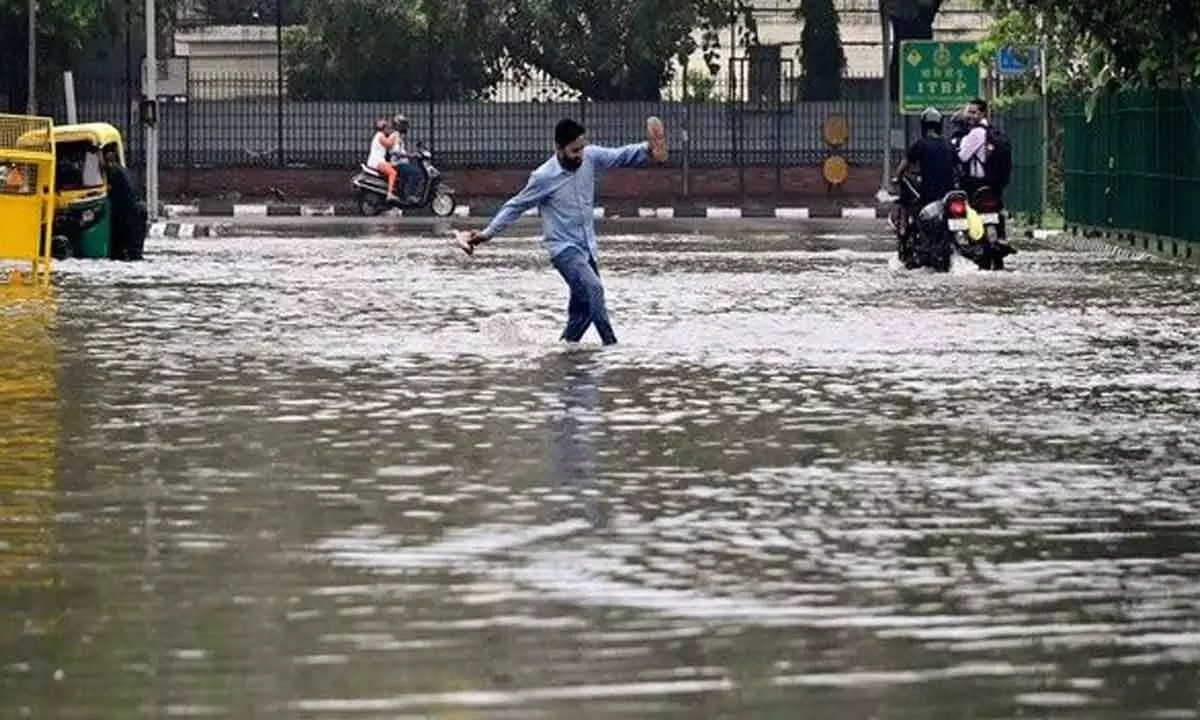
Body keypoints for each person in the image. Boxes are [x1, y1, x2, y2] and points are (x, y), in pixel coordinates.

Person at [458, 117, 668, 346]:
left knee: (585, 312)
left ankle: (565, 351)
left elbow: (620, 155)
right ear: (558, 148)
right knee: (595, 290)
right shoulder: (543, 177)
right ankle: (612, 347)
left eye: (582, 148)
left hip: (587, 249)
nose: (580, 155)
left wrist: (648, 148)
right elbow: (515, 206)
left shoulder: (590, 157)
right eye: (574, 150)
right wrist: (487, 234)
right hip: (563, 250)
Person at [100, 145, 146, 261]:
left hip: (130, 214)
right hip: (138, 210)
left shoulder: (114, 171)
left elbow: (110, 191)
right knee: (134, 251)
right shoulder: (122, 170)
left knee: (129, 251)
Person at [389, 114, 424, 203]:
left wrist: (415, 152)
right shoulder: (395, 135)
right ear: (398, 126)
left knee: (408, 174)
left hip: (401, 162)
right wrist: (411, 155)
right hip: (398, 163)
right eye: (403, 124)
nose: (405, 127)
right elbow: (396, 151)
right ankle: (410, 195)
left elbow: (401, 151)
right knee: (416, 173)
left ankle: (402, 196)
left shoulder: (398, 136)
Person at [366, 118, 399, 202]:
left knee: (396, 167)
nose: (389, 130)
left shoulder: (379, 135)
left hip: (379, 161)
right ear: (383, 129)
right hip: (377, 161)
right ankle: (390, 194)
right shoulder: (380, 135)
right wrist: (394, 135)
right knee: (392, 173)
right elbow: (389, 144)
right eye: (387, 128)